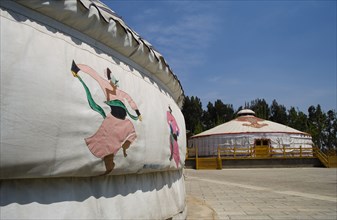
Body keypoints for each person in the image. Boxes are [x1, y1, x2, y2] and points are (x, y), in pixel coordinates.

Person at [71, 60, 142, 175]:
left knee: (128, 133)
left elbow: (130, 100)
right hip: (113, 119)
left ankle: (117, 152)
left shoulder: (120, 92)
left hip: (122, 121)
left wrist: (138, 112)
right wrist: (77, 68)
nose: (116, 82)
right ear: (110, 79)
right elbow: (94, 74)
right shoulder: (105, 85)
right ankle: (109, 160)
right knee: (107, 140)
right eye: (113, 79)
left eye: (116, 81)